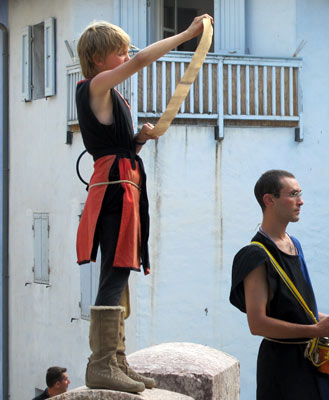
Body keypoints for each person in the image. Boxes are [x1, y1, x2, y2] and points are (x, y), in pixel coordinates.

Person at [75, 14, 213, 393]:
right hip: (116, 187)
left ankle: (115, 359)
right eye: (118, 53)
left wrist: (137, 140)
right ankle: (102, 363)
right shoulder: (93, 86)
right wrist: (186, 35)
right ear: (99, 58)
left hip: (122, 182)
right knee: (116, 271)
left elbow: (112, 144)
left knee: (119, 272)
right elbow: (141, 63)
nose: (126, 57)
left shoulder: (107, 92)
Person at [230, 169, 329, 399]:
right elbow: (257, 323)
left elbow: (295, 310)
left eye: (300, 194)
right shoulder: (255, 255)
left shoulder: (295, 244)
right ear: (269, 200)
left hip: (311, 361)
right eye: (293, 194)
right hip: (283, 369)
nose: (301, 201)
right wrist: (315, 330)